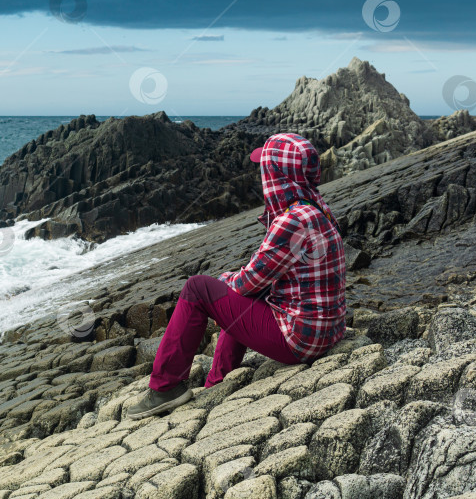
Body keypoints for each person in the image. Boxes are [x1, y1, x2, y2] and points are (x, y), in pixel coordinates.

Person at [127, 133, 347, 420]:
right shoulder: (318, 210)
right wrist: (230, 286)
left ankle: (165, 387)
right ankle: (216, 382)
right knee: (242, 293)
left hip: (301, 341)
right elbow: (260, 279)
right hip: (327, 331)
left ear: (276, 173)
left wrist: (223, 282)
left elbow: (246, 283)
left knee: (197, 289)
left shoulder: (292, 220)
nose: (260, 173)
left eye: (264, 166)